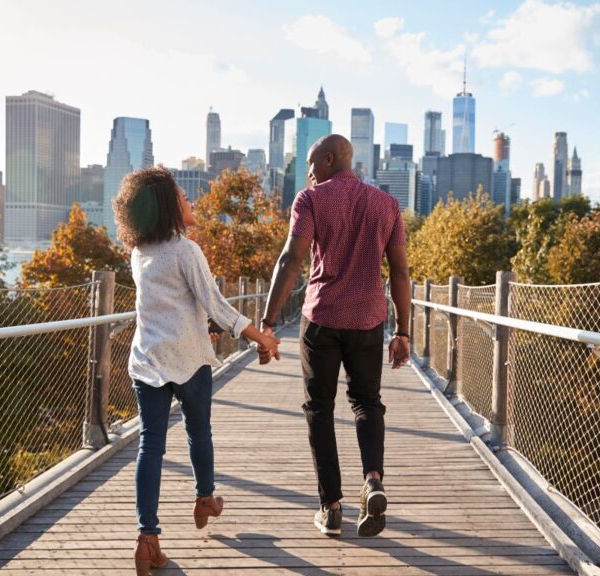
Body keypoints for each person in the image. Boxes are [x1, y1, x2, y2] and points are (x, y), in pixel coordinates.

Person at [112, 167, 280, 575]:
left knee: (150, 447)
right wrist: (261, 337)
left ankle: (147, 538)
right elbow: (217, 305)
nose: (192, 203)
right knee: (198, 430)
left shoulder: (140, 253)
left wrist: (203, 323)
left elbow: (170, 305)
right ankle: (205, 498)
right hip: (188, 361)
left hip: (148, 361)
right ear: (170, 207)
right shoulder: (186, 250)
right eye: (185, 199)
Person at [259, 134, 411, 538]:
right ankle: (374, 479)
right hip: (368, 320)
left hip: (322, 319)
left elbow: (292, 258)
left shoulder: (310, 200)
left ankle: (330, 506)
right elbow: (400, 272)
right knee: (367, 403)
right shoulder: (387, 204)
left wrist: (268, 322)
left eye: (311, 164)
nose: (308, 173)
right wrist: (403, 331)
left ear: (330, 159)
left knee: (319, 409)